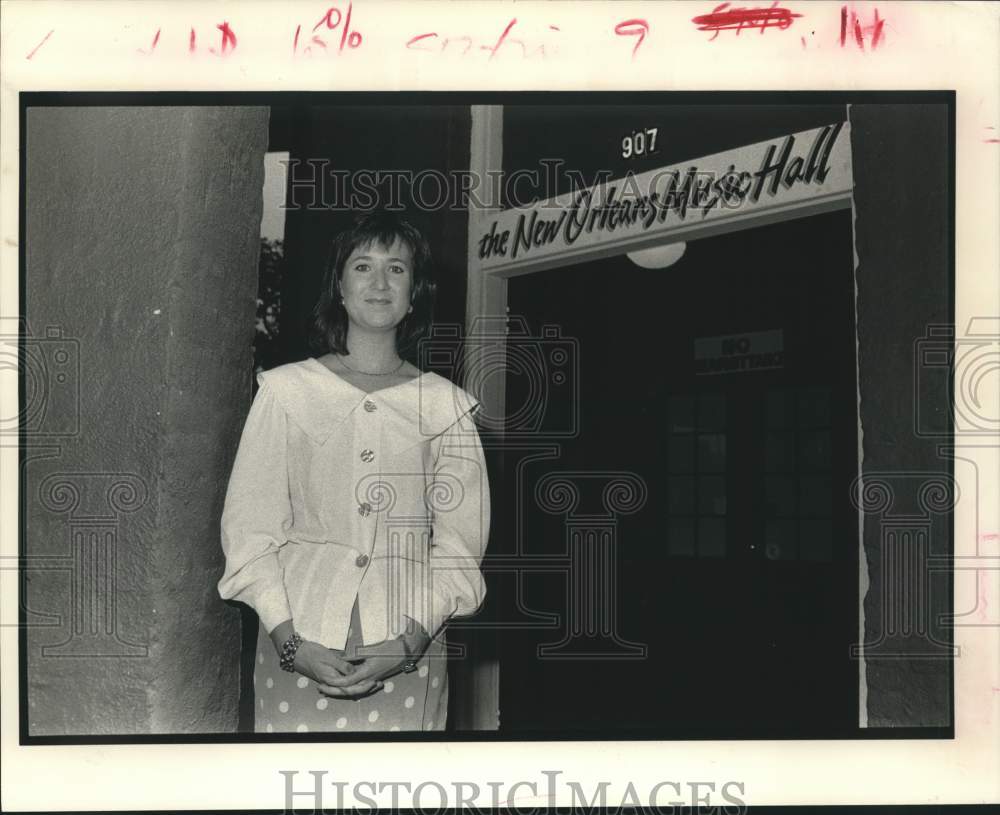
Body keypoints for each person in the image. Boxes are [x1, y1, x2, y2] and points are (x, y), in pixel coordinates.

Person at [218, 212, 490, 732]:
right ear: (340, 288)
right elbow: (250, 533)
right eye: (363, 266)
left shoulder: (446, 407)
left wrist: (409, 644)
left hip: (410, 645)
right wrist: (289, 641)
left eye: (397, 269)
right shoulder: (287, 392)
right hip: (300, 644)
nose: (380, 282)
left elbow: (459, 548)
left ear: (415, 293)